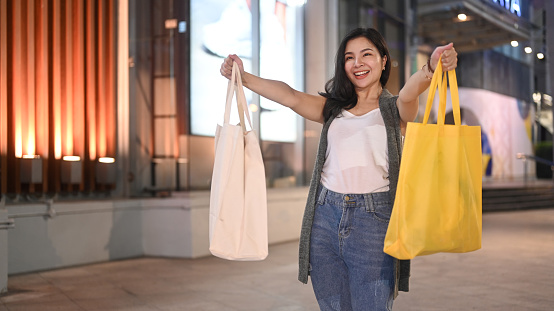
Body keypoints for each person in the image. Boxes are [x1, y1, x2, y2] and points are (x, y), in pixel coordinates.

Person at [220, 28, 458, 311]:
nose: (357, 63)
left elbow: (409, 93)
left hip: (374, 221)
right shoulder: (332, 109)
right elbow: (291, 96)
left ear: (384, 61)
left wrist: (431, 67)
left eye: (366, 55)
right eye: (349, 57)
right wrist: (243, 78)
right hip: (325, 216)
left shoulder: (395, 110)